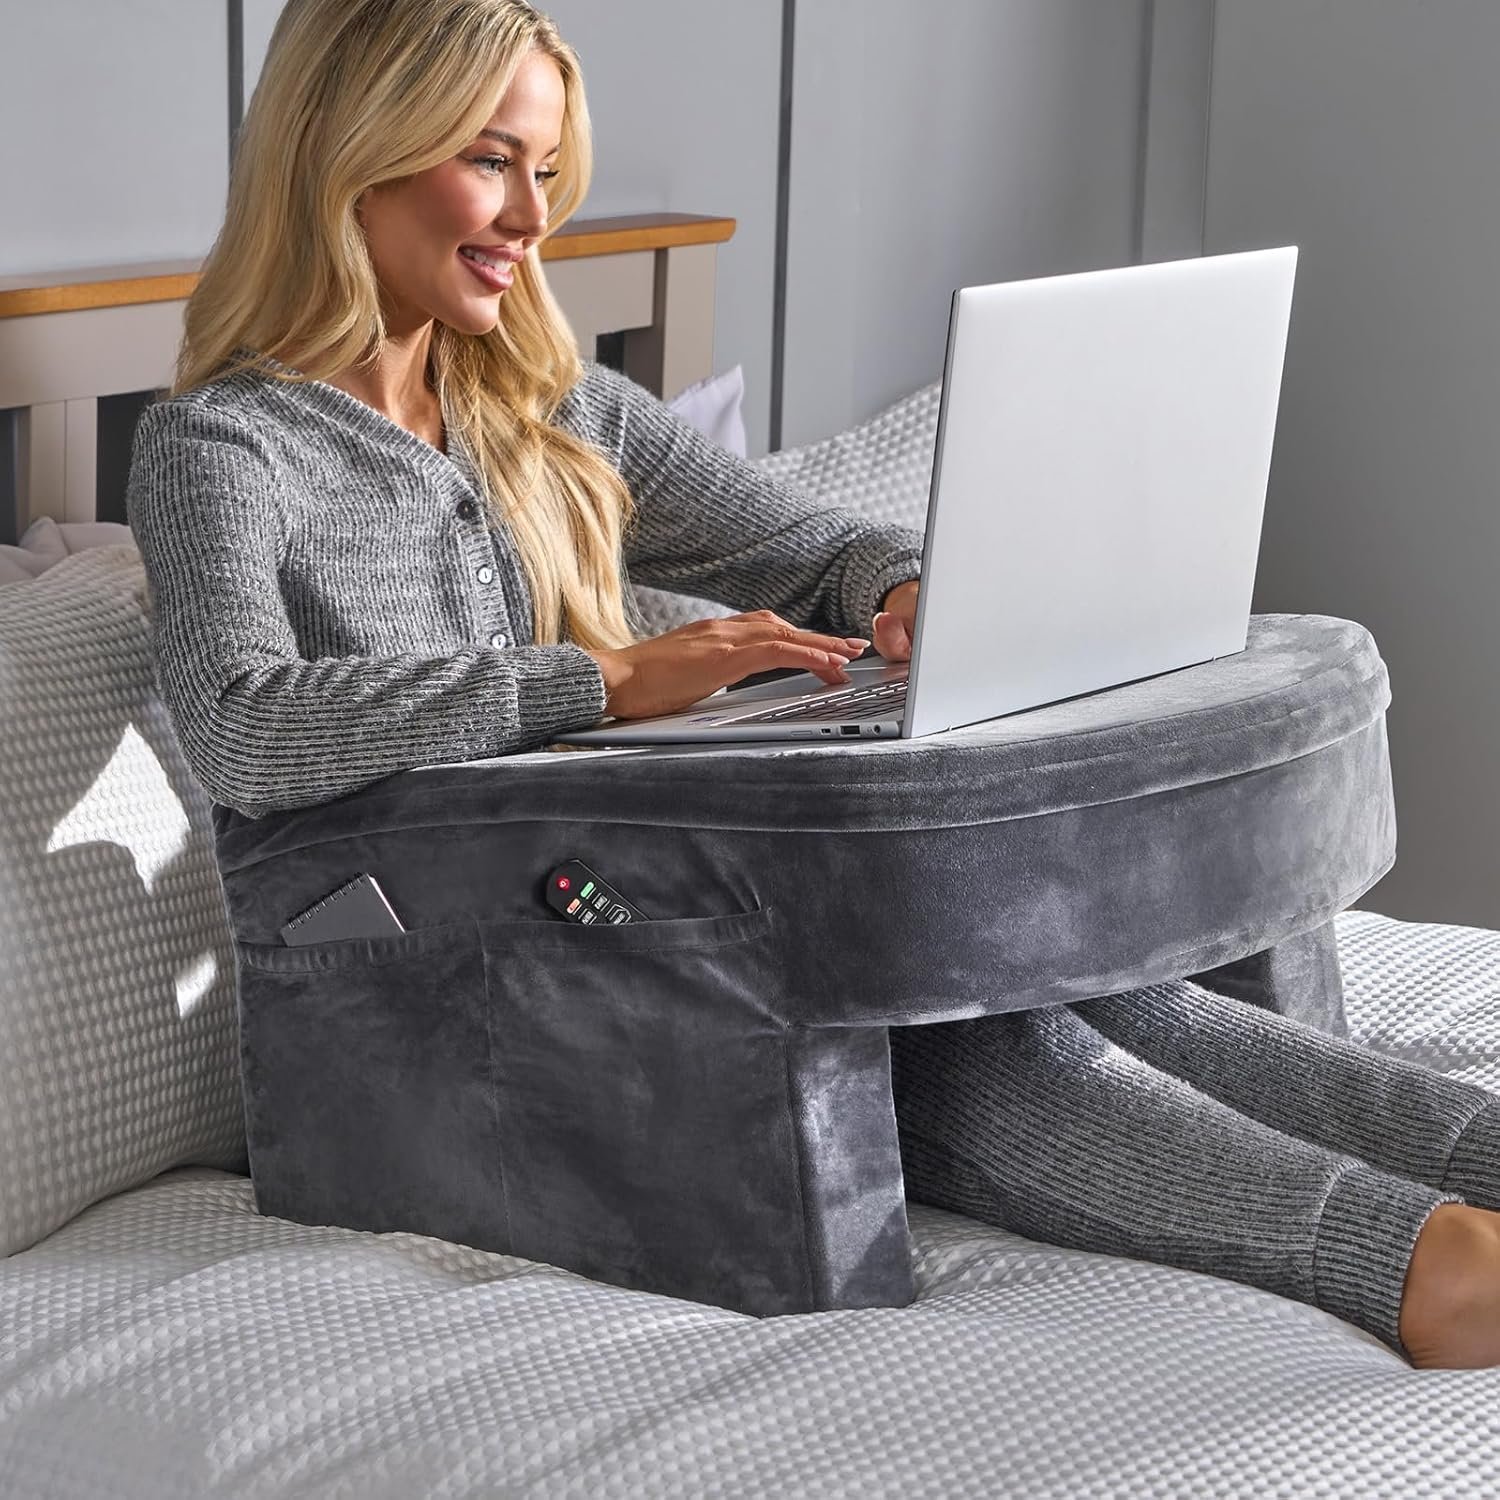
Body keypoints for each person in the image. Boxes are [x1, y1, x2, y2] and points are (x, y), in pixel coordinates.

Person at [126, 0, 1500, 1371]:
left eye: (546, 171)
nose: (533, 218)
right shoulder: (220, 445)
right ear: (352, 148)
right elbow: (244, 726)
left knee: (1062, 991)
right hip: (418, 999)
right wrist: (597, 683)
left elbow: (818, 546)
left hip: (596, 914)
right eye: (492, 162)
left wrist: (903, 589)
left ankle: (1466, 1189)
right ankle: (1423, 1266)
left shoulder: (551, 411)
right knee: (933, 1030)